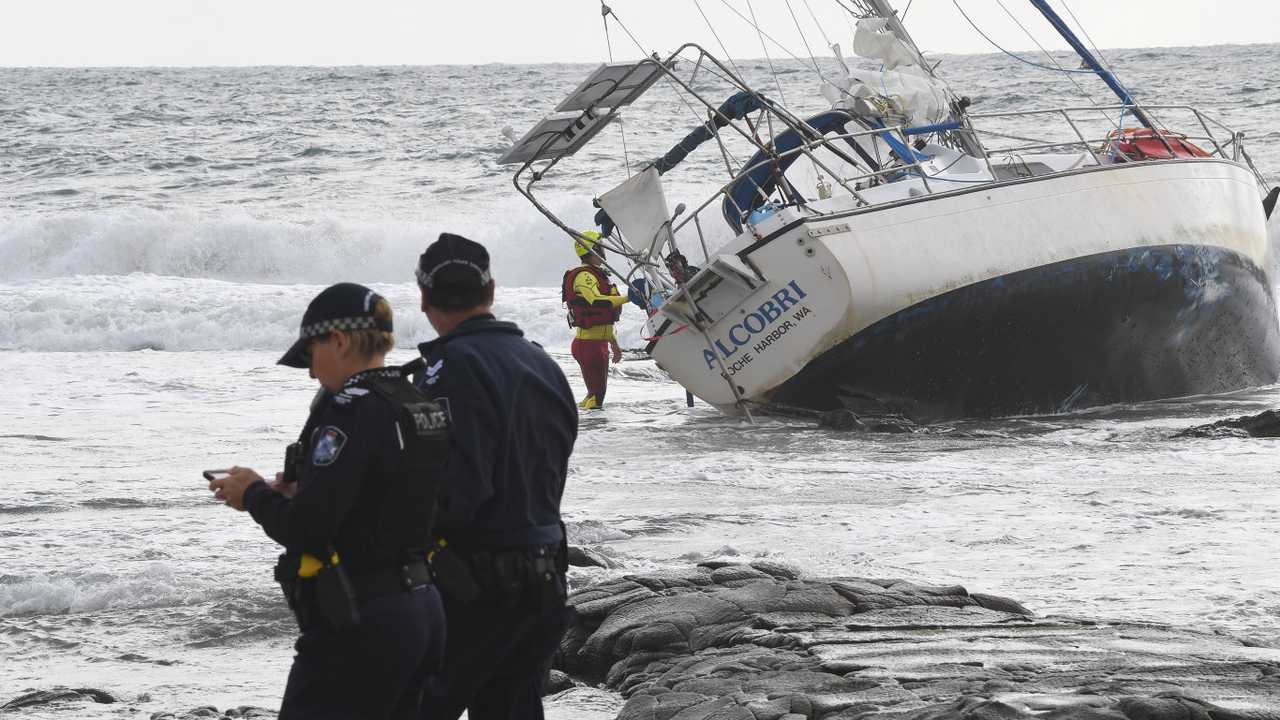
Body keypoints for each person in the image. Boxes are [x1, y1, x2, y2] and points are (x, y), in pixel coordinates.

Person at [208, 282, 450, 720]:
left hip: (363, 618)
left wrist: (255, 495)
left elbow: (308, 530)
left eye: (311, 355)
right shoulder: (419, 402)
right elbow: (404, 497)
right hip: (424, 608)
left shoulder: (350, 410)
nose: (310, 372)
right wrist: (304, 491)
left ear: (338, 341)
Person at [410, 233, 577, 720]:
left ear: (423, 298)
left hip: (476, 586)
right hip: (544, 577)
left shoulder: (449, 371)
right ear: (492, 290)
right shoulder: (542, 363)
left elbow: (458, 491)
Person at [561, 230, 628, 409]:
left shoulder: (596, 274)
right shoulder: (584, 276)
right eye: (600, 247)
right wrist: (629, 298)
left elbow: (603, 321)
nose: (604, 251)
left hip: (596, 344)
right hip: (589, 346)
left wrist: (614, 343)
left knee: (593, 395)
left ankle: (588, 429)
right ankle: (596, 433)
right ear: (592, 250)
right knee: (597, 399)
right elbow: (597, 301)